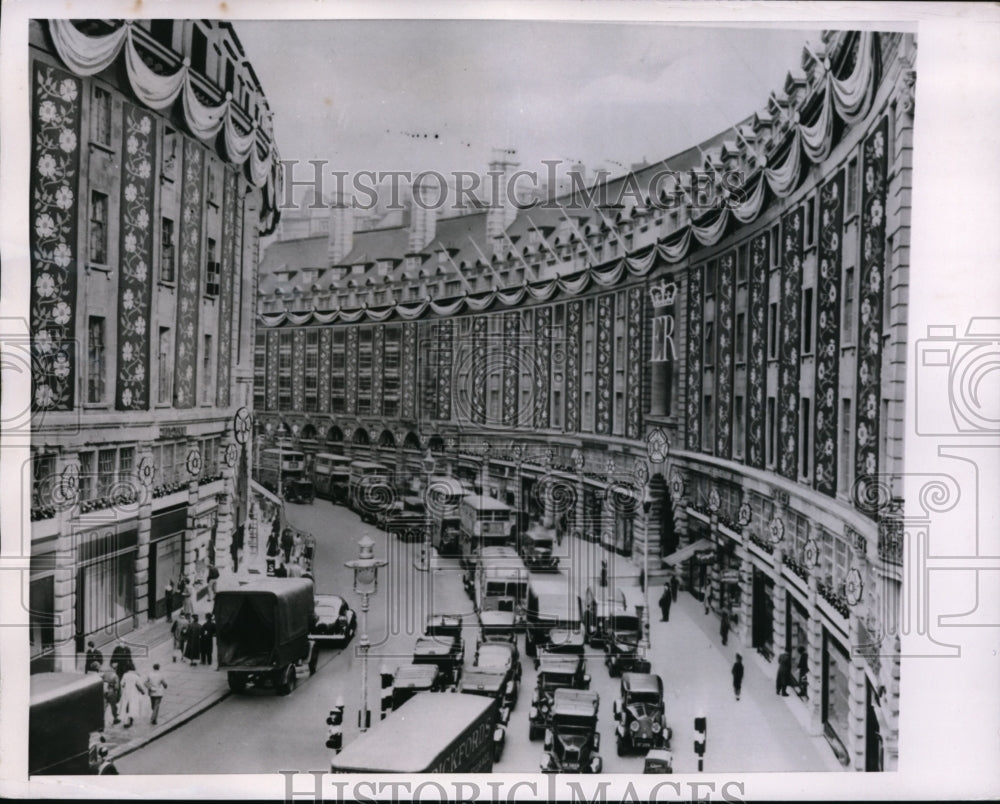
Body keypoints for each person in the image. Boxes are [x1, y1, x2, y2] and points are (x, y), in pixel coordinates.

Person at [119, 662, 148, 728]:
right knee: (132, 706)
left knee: (126, 706)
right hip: (134, 693)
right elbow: (139, 685)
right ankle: (130, 720)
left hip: (126, 693)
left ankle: (127, 720)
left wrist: (126, 685)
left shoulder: (125, 675)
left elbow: (122, 684)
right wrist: (143, 691)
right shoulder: (136, 676)